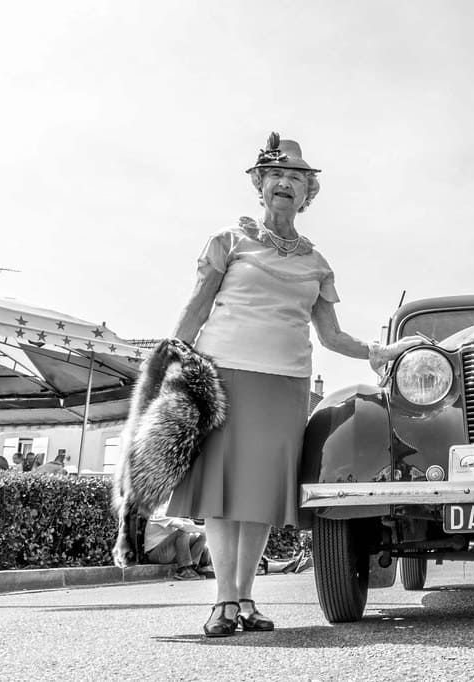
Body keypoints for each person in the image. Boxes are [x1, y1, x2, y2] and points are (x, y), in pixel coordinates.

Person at [166, 132, 422, 638]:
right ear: (260, 184)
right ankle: (223, 600)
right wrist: (170, 363)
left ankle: (245, 599)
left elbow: (330, 336)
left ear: (308, 195)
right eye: (277, 175)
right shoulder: (229, 240)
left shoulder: (316, 262)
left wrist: (379, 351)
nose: (285, 183)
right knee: (223, 489)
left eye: (297, 179)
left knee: (259, 494)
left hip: (286, 384)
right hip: (224, 375)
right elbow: (196, 308)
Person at [144, 502, 213, 580]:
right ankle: (184, 570)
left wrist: (203, 530)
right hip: (156, 554)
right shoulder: (158, 512)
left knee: (201, 536)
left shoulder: (174, 513)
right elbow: (182, 526)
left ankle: (193, 568)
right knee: (182, 532)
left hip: (171, 553)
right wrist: (204, 529)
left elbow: (190, 526)